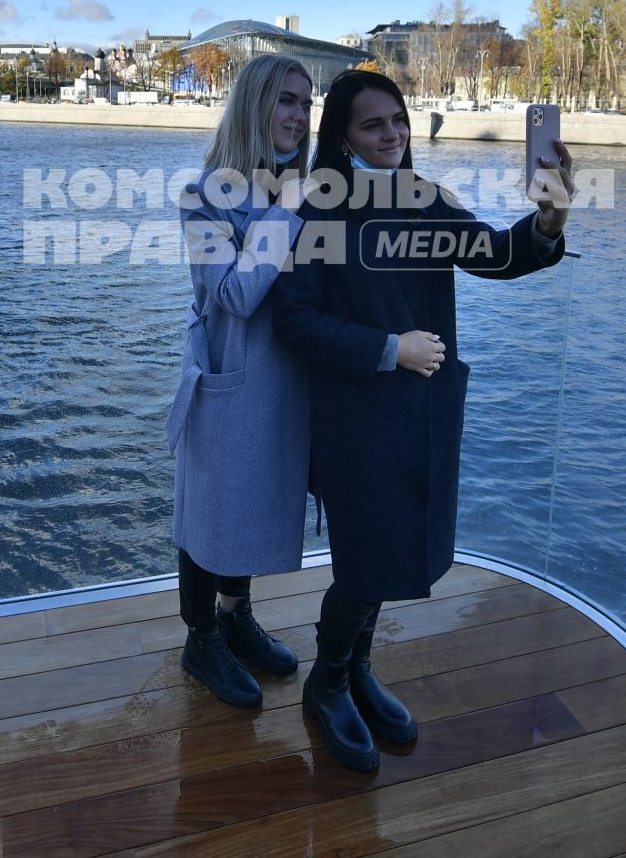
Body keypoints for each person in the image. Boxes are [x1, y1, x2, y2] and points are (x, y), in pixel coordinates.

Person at [272, 68, 573, 771]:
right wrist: (387, 349)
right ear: (342, 137)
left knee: (398, 551)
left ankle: (355, 670)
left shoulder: (426, 201)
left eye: (398, 120)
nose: (393, 134)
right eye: (373, 125)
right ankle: (327, 680)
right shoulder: (319, 210)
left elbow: (497, 256)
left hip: (423, 416)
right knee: (365, 560)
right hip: (357, 421)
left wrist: (550, 218)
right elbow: (293, 320)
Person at [164, 53, 317, 707]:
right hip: (226, 378)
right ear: (253, 104)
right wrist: (287, 210)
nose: (297, 115)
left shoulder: (307, 193)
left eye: (306, 104)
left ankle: (236, 617)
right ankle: (201, 639)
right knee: (208, 512)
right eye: (286, 99)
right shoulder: (202, 197)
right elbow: (233, 293)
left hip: (283, 383)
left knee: (250, 505)